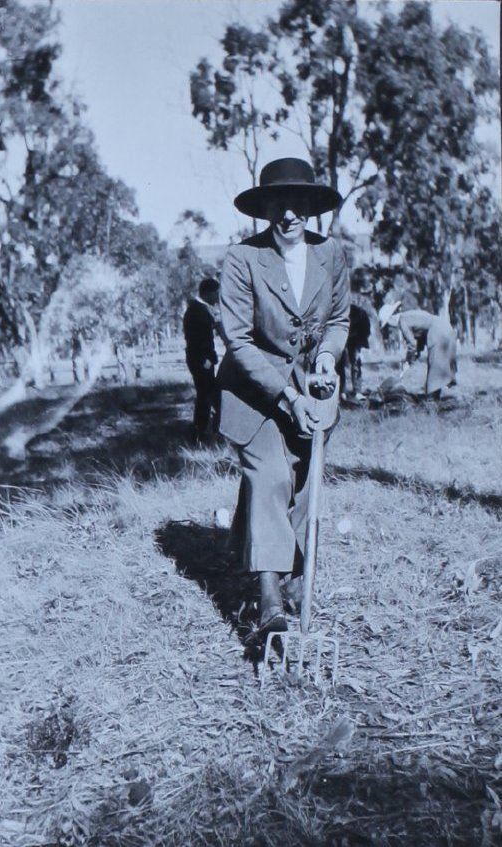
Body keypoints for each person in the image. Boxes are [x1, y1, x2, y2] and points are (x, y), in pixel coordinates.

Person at [217, 157, 350, 637]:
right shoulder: (242, 259)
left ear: (312, 207)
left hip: (311, 389)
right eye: (279, 203)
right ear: (264, 207)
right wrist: (288, 397)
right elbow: (238, 340)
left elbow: (338, 321)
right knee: (271, 474)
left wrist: (329, 359)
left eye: (298, 203)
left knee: (300, 479)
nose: (289, 214)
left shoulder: (330, 254)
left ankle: (292, 574)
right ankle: (269, 596)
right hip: (252, 389)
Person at [378, 302, 457, 399]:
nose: (390, 328)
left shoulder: (402, 321)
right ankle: (438, 396)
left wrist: (408, 360)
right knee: (441, 365)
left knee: (435, 367)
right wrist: (414, 356)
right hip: (446, 326)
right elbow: (421, 336)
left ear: (391, 319)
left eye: (388, 325)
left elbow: (411, 344)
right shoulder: (409, 315)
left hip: (437, 332)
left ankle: (432, 400)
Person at [183, 277, 220, 441]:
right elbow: (197, 339)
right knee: (205, 397)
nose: (217, 298)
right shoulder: (198, 311)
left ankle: (206, 431)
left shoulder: (197, 309)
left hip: (199, 359)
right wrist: (206, 360)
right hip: (201, 360)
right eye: (216, 294)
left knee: (208, 395)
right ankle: (199, 434)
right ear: (207, 293)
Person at [338, 303, 371, 400]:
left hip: (356, 339)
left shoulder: (363, 317)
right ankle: (341, 391)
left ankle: (357, 391)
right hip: (341, 336)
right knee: (340, 362)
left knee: (357, 362)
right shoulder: (341, 314)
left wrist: (359, 351)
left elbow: (365, 334)